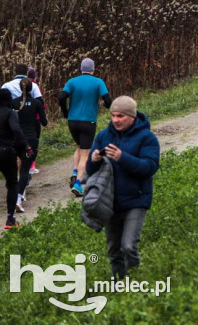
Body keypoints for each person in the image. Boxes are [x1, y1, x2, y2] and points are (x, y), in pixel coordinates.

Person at [86, 96, 159, 280]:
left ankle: (134, 280)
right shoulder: (103, 136)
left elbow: (149, 167)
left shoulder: (147, 138)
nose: (116, 120)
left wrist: (122, 157)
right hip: (110, 201)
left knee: (128, 246)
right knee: (113, 249)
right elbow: (89, 170)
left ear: (132, 117)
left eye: (120, 116)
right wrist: (94, 160)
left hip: (136, 200)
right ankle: (120, 283)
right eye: (113, 116)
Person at [60, 58, 111, 198]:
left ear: (81, 69)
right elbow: (108, 100)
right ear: (93, 69)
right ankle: (78, 184)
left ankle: (75, 171)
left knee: (79, 146)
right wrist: (106, 106)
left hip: (72, 121)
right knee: (85, 153)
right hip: (88, 121)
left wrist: (66, 112)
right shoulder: (98, 82)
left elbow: (61, 97)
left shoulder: (72, 81)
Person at [13, 76, 46, 212]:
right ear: (32, 88)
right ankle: (19, 198)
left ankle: (14, 195)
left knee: (14, 168)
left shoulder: (13, 103)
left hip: (15, 139)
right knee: (25, 170)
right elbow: (44, 122)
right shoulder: (37, 104)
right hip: (30, 139)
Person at [0, 89, 30, 229]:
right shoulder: (10, 113)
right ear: (8, 99)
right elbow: (16, 130)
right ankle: (10, 220)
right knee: (12, 184)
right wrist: (26, 146)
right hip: (6, 151)